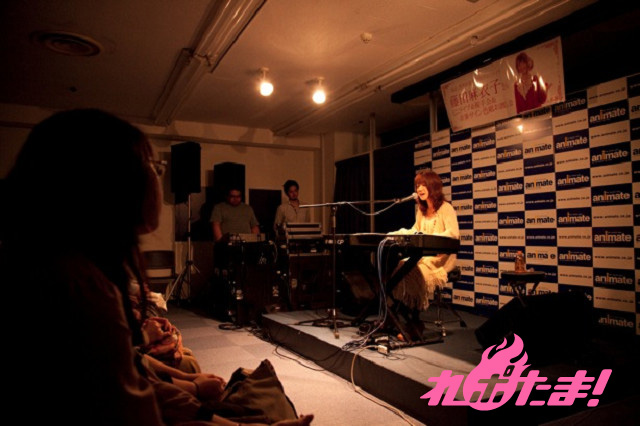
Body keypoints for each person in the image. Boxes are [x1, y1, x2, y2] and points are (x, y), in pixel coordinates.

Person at [1, 109, 312, 426]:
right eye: (153, 165)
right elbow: (133, 407)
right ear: (106, 183)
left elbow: (136, 374)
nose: (158, 175)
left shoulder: (67, 267)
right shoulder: (78, 288)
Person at [390, 169, 460, 311]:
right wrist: (395, 234)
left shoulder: (446, 208)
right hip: (421, 257)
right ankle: (399, 312)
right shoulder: (421, 211)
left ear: (433, 186)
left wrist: (429, 238)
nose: (419, 189)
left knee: (413, 272)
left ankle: (412, 313)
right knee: (401, 266)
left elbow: (453, 234)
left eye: (423, 185)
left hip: (440, 260)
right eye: (417, 186)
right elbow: (415, 230)